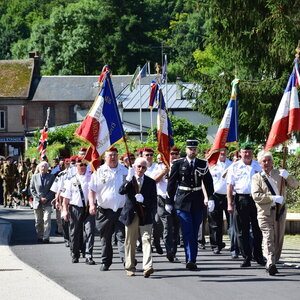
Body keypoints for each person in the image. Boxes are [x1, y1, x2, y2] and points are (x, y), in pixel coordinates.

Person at [166, 139, 215, 270]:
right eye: (190, 149)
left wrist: (211, 198)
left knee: (194, 230)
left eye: (194, 149)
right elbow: (171, 184)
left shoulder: (202, 164)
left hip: (197, 201)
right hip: (182, 201)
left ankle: (192, 258)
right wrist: (168, 201)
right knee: (188, 231)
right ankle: (190, 259)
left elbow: (208, 182)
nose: (193, 151)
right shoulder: (178, 164)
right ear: (186, 150)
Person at [251, 150, 299, 275]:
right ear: (260, 163)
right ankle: (270, 262)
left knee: (278, 239)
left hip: (280, 212)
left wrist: (288, 176)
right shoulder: (256, 178)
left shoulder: (280, 174)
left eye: (269, 160)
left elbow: (295, 185)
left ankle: (273, 260)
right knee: (268, 237)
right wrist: (272, 198)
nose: (267, 163)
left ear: (272, 161)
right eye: (264, 161)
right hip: (265, 213)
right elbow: (256, 196)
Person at [88, 147, 128, 271]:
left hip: (121, 209)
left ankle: (126, 261)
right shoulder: (99, 172)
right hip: (105, 211)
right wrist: (92, 204)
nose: (113, 157)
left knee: (122, 237)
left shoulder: (125, 170)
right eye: (110, 155)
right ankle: (106, 261)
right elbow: (92, 190)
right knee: (105, 238)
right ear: (105, 157)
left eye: (115, 155)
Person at [227, 142, 264, 267]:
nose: (247, 154)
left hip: (256, 199)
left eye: (249, 152)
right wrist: (229, 204)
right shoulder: (234, 166)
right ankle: (246, 257)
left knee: (257, 229)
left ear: (253, 153)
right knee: (242, 230)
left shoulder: (258, 166)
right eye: (244, 152)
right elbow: (230, 186)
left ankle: (258, 255)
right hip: (240, 199)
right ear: (240, 153)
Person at [119, 157, 157, 277]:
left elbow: (153, 201)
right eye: (138, 166)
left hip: (145, 215)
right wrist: (128, 180)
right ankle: (130, 266)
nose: (141, 169)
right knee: (130, 241)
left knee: (147, 240)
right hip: (131, 214)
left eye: (143, 167)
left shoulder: (150, 182)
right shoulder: (129, 179)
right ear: (134, 167)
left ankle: (147, 267)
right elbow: (121, 191)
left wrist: (144, 200)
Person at [63, 157, 95, 264]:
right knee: (75, 232)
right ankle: (75, 253)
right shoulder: (71, 180)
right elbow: (66, 198)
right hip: (75, 208)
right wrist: (65, 211)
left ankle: (88, 255)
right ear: (76, 166)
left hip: (88, 208)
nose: (83, 167)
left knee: (89, 231)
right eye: (80, 165)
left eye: (85, 165)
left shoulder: (91, 178)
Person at [153, 146, 181, 262]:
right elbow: (154, 180)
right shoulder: (159, 166)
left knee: (175, 227)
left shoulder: (181, 166)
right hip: (163, 199)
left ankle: (172, 252)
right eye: (172, 153)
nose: (175, 156)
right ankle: (169, 250)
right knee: (167, 226)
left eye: (176, 153)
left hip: (177, 199)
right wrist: (164, 171)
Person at [208, 148, 232, 254]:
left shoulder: (232, 164)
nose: (222, 153)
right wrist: (208, 198)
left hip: (229, 196)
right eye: (220, 151)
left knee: (232, 223)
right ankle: (216, 245)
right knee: (215, 223)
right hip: (215, 196)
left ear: (227, 152)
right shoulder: (211, 165)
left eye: (224, 151)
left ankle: (235, 246)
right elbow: (206, 182)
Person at [143, 147, 163, 255]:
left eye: (151, 155)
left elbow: (158, 180)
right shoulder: (139, 167)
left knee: (157, 222)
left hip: (155, 199)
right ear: (142, 156)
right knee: (145, 224)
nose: (149, 157)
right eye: (147, 155)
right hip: (142, 201)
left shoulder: (157, 167)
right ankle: (146, 244)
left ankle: (157, 241)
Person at [30, 161, 55, 243]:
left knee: (47, 219)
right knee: (38, 220)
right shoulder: (34, 177)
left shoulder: (51, 177)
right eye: (42, 166)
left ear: (47, 168)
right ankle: (40, 235)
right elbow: (32, 189)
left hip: (47, 201)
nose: (43, 168)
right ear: (39, 168)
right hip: (37, 201)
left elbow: (53, 189)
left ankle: (46, 237)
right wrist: (39, 198)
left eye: (45, 166)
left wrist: (46, 198)